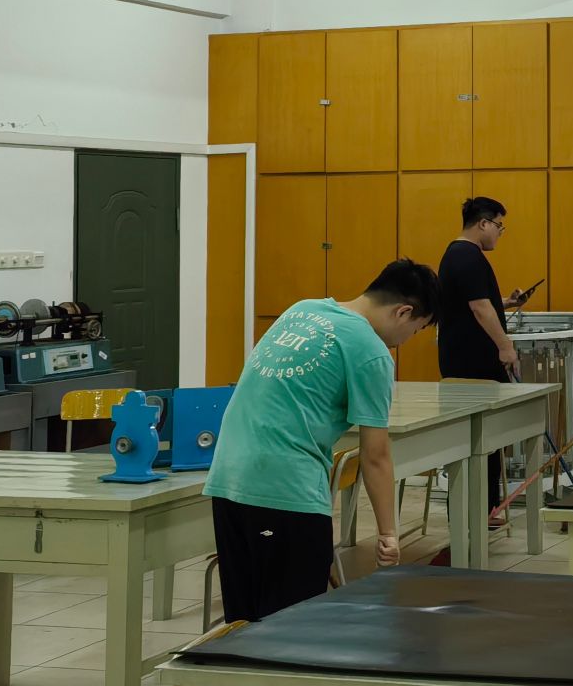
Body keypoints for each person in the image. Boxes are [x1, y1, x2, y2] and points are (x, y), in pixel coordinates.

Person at [205, 258, 439, 621]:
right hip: (285, 489)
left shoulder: (302, 310)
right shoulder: (371, 351)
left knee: (242, 624)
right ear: (403, 312)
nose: (406, 341)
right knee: (294, 628)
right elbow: (375, 456)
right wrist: (388, 535)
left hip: (228, 482)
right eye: (416, 330)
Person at [436, 196, 534, 513]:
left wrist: (507, 302)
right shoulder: (466, 256)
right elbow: (479, 308)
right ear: (483, 223)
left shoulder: (460, 255)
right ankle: (476, 511)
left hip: (468, 361)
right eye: (499, 226)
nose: (500, 233)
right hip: (472, 364)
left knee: (486, 440)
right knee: (479, 440)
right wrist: (506, 347)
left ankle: (485, 508)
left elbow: (475, 301)